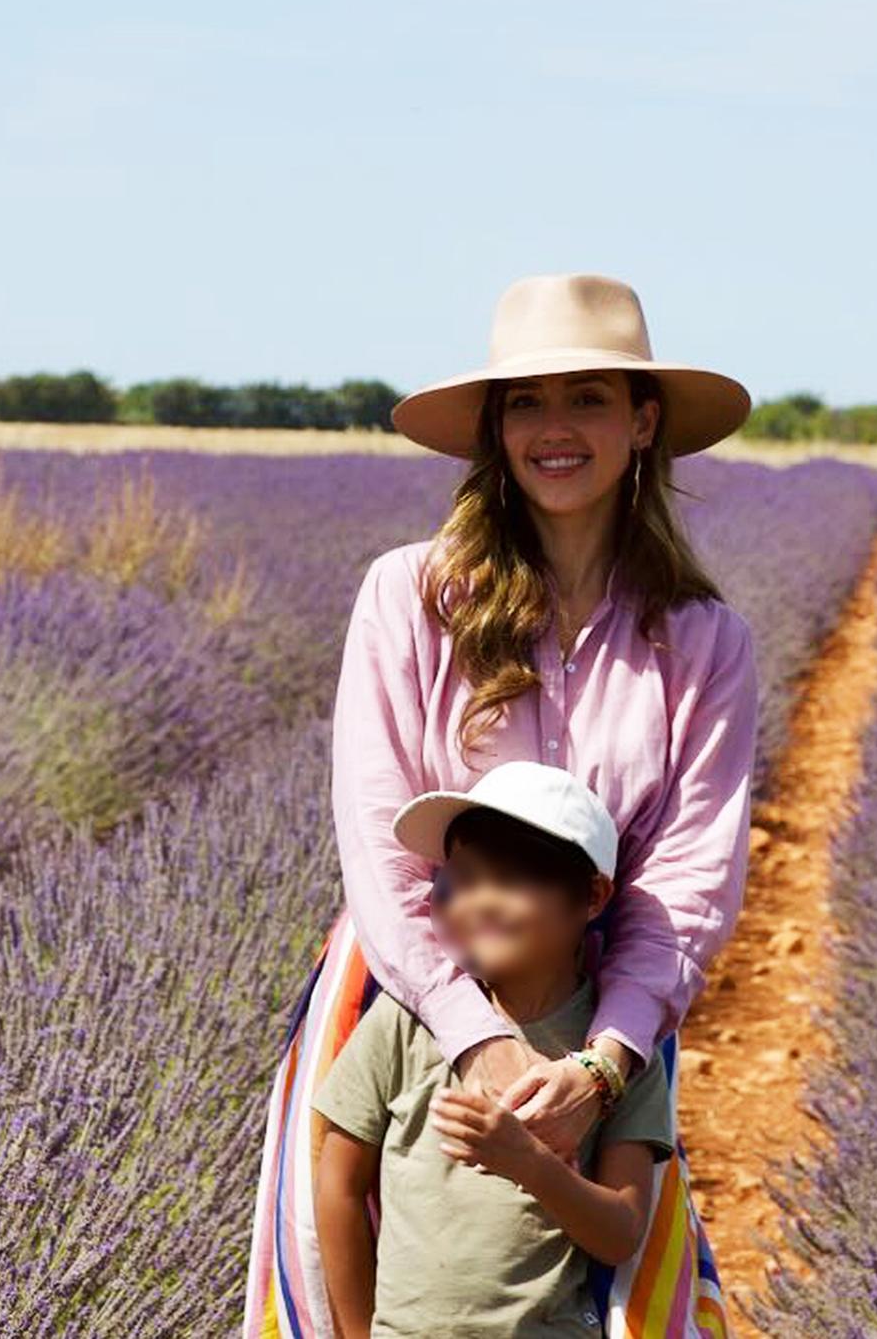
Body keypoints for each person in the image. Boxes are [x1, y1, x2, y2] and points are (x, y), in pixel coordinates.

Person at [243, 272, 757, 1338]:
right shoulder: (408, 599)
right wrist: (476, 1037)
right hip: (407, 994)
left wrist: (602, 1063)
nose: (554, 428)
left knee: (605, 1302)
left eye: (589, 397)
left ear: (644, 422)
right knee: (355, 1277)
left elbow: (686, 880)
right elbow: (380, 845)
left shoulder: (703, 640)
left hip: (600, 1002)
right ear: (492, 428)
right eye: (526, 402)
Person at [313, 761, 674, 1338]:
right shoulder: (406, 1023)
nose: (476, 901)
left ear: (593, 896)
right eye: (459, 880)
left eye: (508, 878)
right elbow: (338, 1182)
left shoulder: (614, 1060)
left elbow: (621, 1231)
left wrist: (527, 1164)